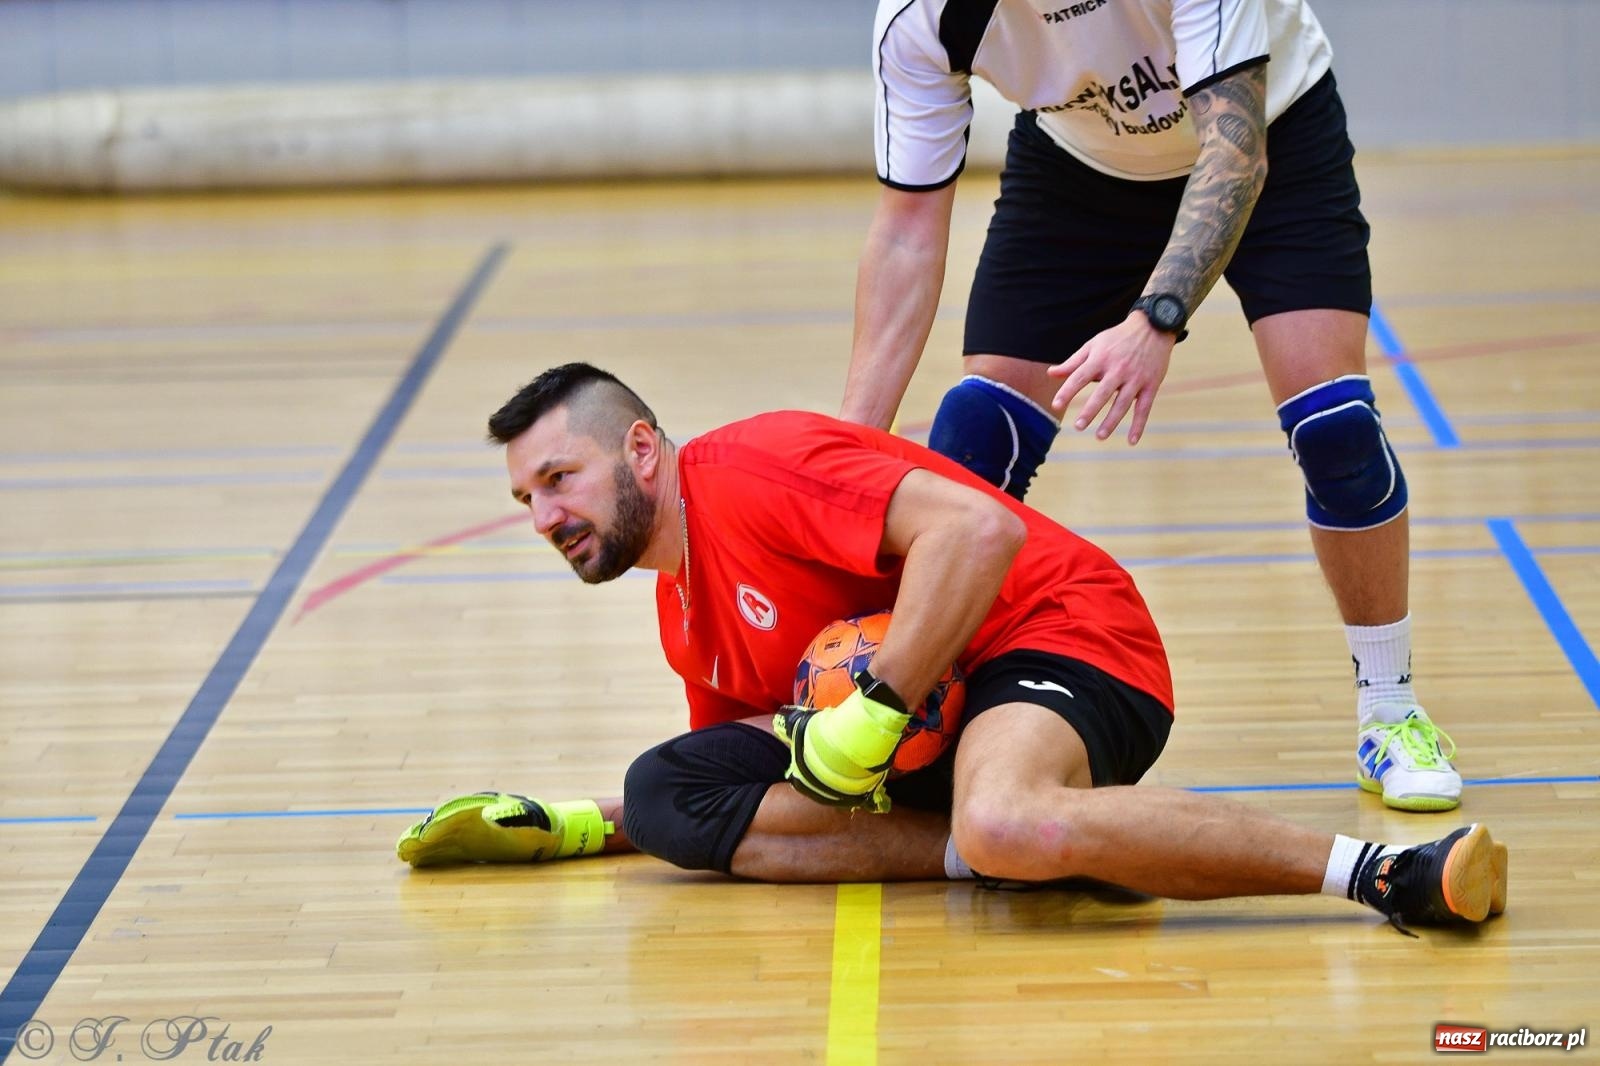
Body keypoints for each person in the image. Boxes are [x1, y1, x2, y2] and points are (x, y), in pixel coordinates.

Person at [396, 362, 1507, 933]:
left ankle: (1384, 875)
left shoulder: (756, 467)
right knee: (671, 791)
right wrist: (584, 826)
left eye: (559, 480)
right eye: (524, 500)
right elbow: (753, 784)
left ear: (640, 449)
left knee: (1004, 810)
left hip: (1062, 633)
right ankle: (1068, 850)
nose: (544, 516)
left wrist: (876, 705)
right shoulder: (683, 607)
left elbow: (983, 530)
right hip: (946, 721)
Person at [839, 0, 1461, 813]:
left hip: (1269, 133)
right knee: (974, 439)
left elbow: (1233, 158)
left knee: (1335, 428)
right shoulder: (923, 17)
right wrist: (841, 457)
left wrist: (1156, 317)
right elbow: (906, 235)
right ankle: (927, 705)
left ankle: (1390, 708)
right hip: (1079, 170)